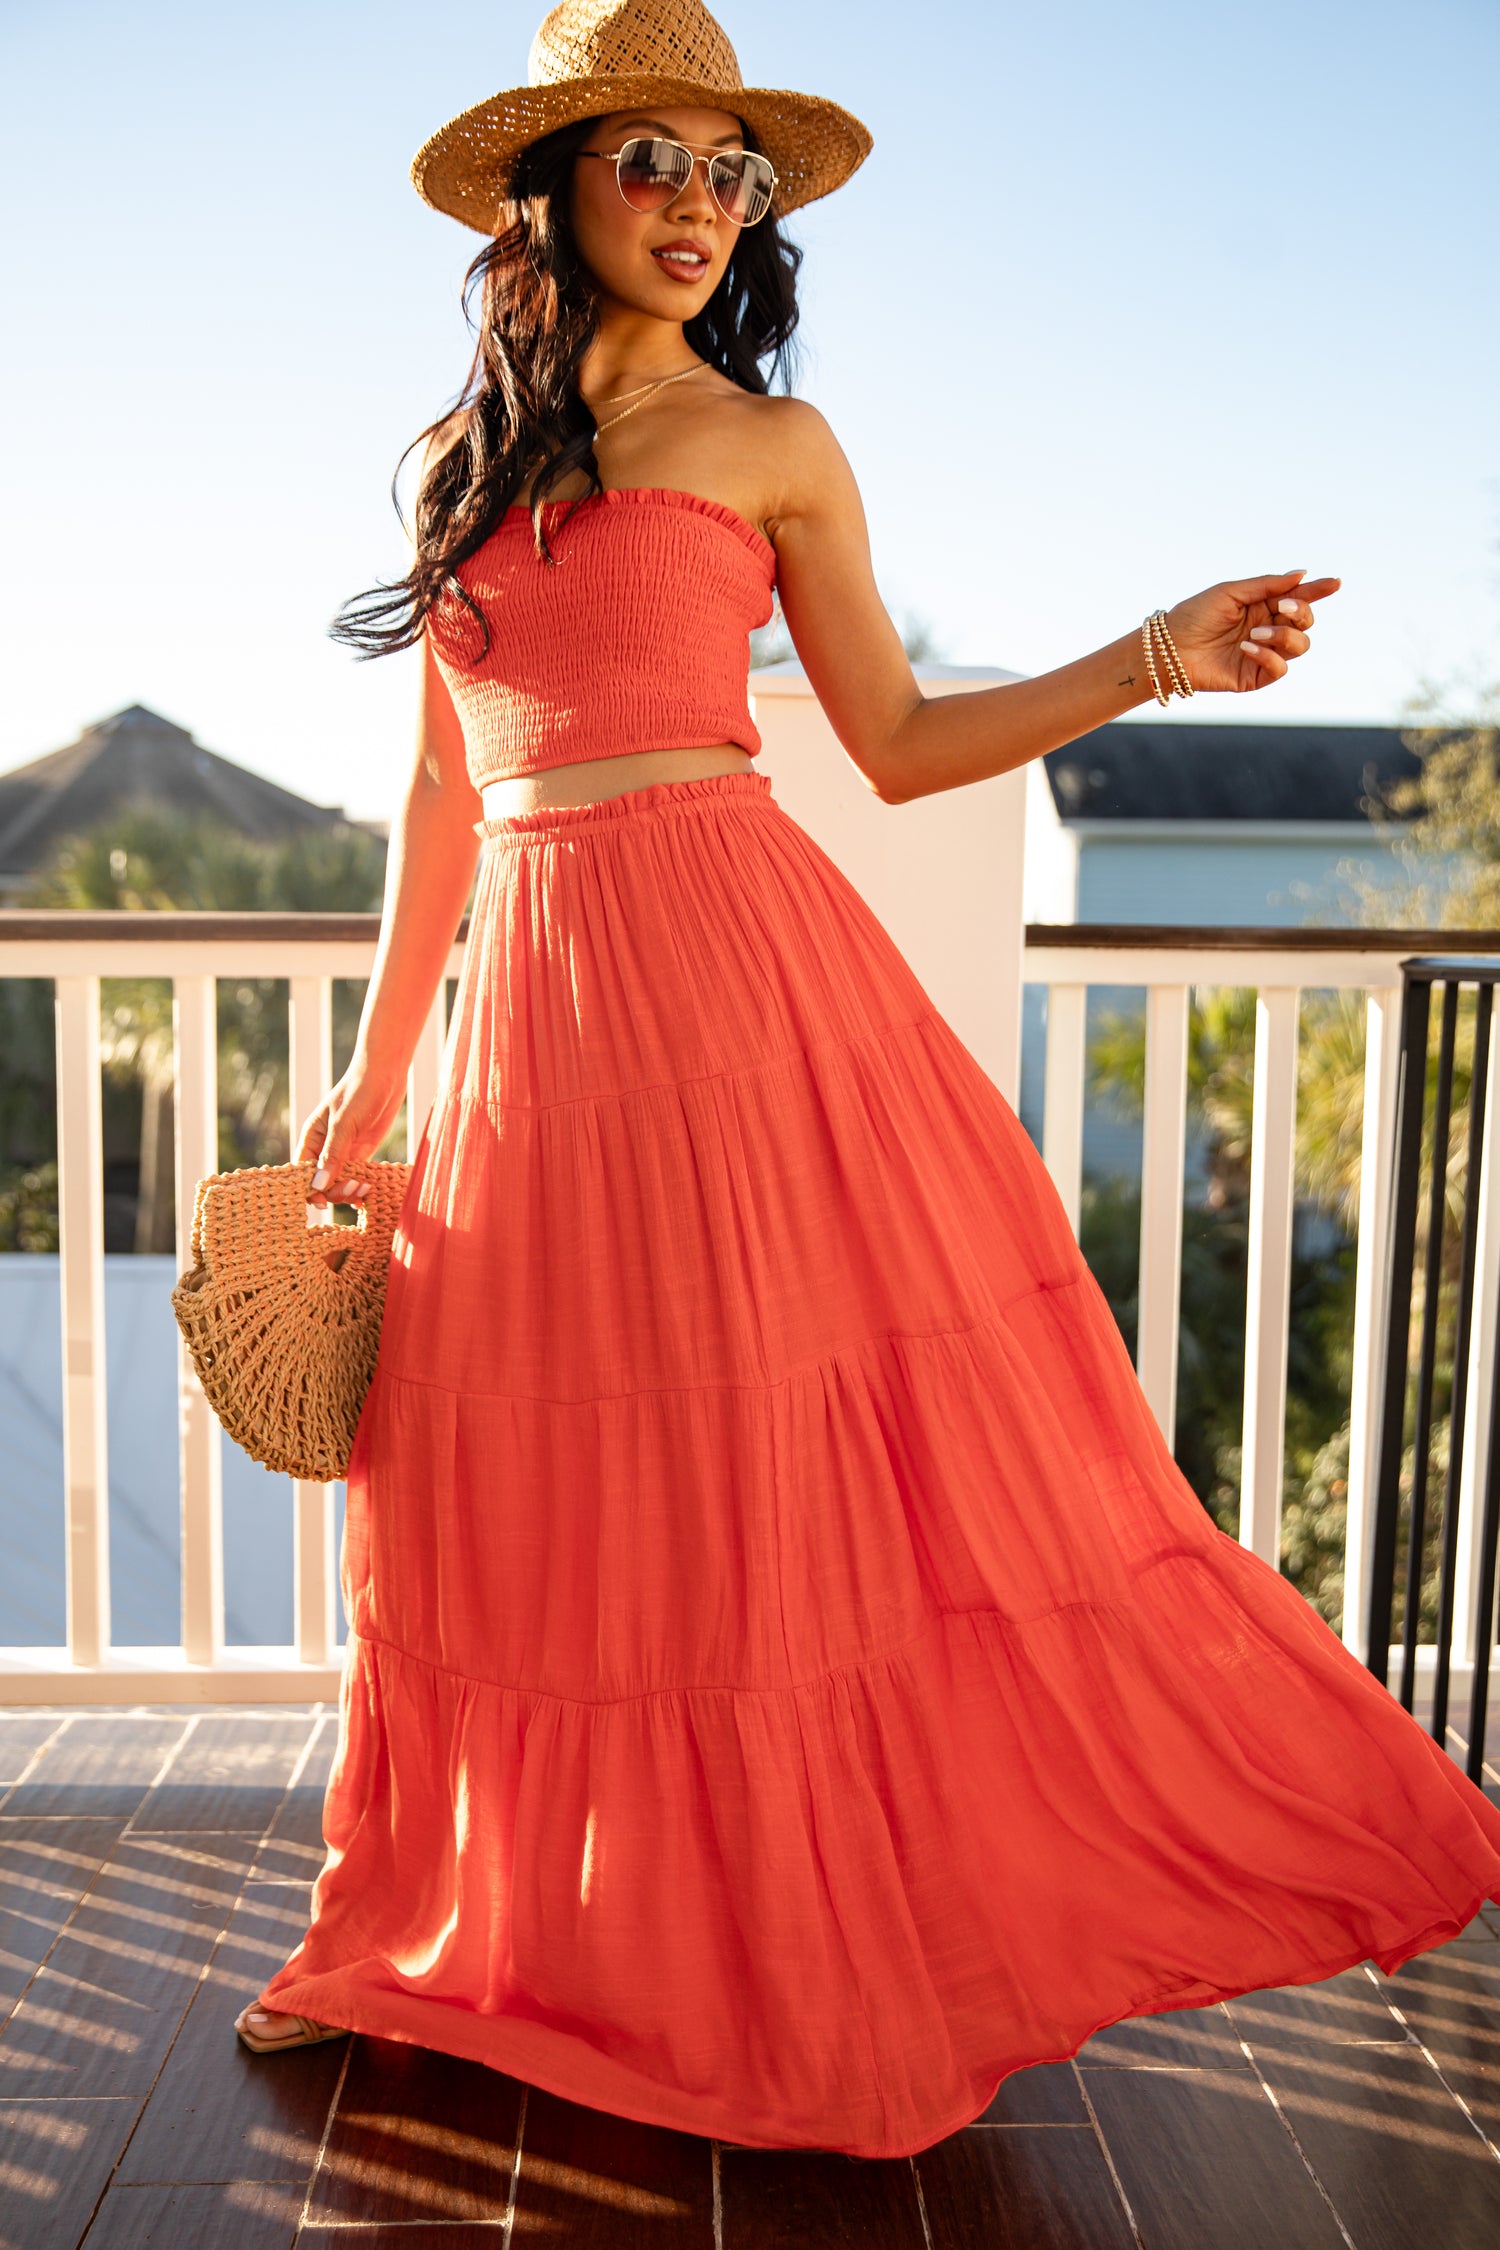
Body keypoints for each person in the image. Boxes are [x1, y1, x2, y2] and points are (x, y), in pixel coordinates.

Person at [234, 0, 1500, 2161]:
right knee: (497, 1487)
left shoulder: (775, 450)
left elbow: (901, 744)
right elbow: (441, 809)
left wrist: (1154, 659)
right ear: (553, 190)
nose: (702, 210)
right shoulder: (465, 466)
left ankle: (781, 1964)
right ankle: (444, 1925)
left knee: (745, 1484)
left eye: (735, 175)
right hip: (524, 1025)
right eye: (657, 162)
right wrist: (370, 1089)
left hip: (732, 990)